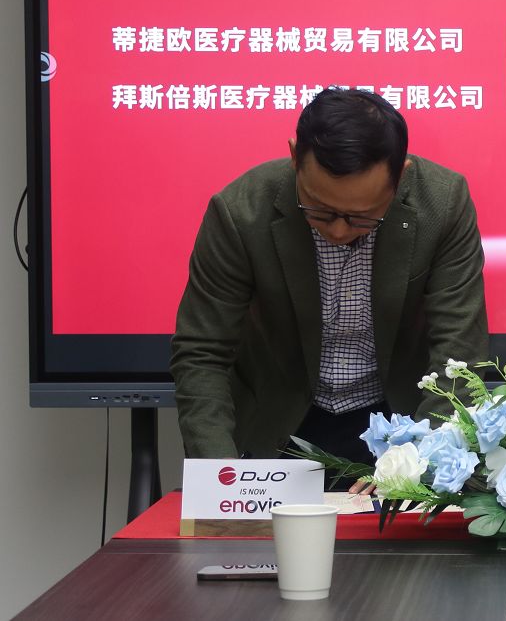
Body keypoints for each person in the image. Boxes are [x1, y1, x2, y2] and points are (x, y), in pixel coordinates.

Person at [171, 87, 488, 469]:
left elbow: (458, 354)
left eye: (362, 216)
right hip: (276, 422)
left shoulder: (443, 203)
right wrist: (218, 473)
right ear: (295, 157)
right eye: (318, 210)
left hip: (400, 422)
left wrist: (417, 463)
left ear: (400, 176)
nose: (338, 230)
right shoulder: (240, 212)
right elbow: (202, 353)